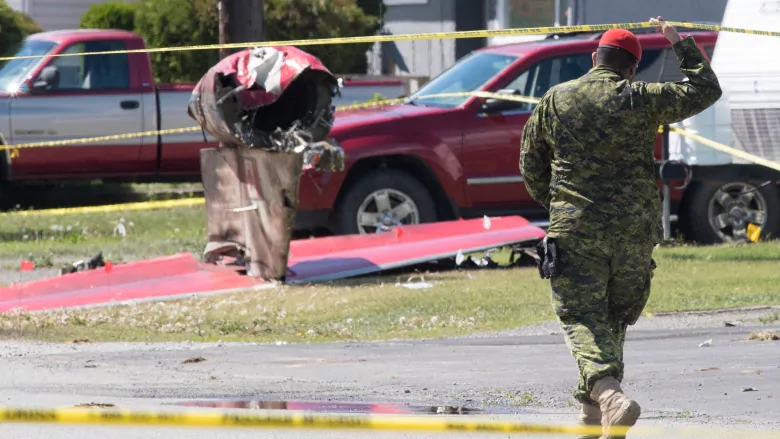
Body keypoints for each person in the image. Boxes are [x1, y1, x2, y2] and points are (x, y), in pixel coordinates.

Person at [519, 17, 722, 439]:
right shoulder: (642, 97)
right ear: (632, 68)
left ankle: (609, 396)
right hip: (634, 229)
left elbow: (530, 162)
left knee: (579, 315)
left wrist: (558, 205)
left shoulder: (556, 99)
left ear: (595, 58)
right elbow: (706, 89)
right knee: (612, 319)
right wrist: (677, 42)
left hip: (576, 227)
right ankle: (594, 418)